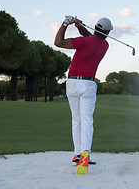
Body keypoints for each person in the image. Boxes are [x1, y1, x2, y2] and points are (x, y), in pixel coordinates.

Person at [54, 15, 113, 175]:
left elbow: (58, 42)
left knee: (76, 120)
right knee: (87, 120)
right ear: (107, 33)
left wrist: (66, 23)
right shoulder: (104, 46)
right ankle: (84, 153)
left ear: (95, 27)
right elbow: (93, 38)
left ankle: (77, 155)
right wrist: (79, 26)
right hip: (88, 84)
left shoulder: (83, 42)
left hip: (72, 83)